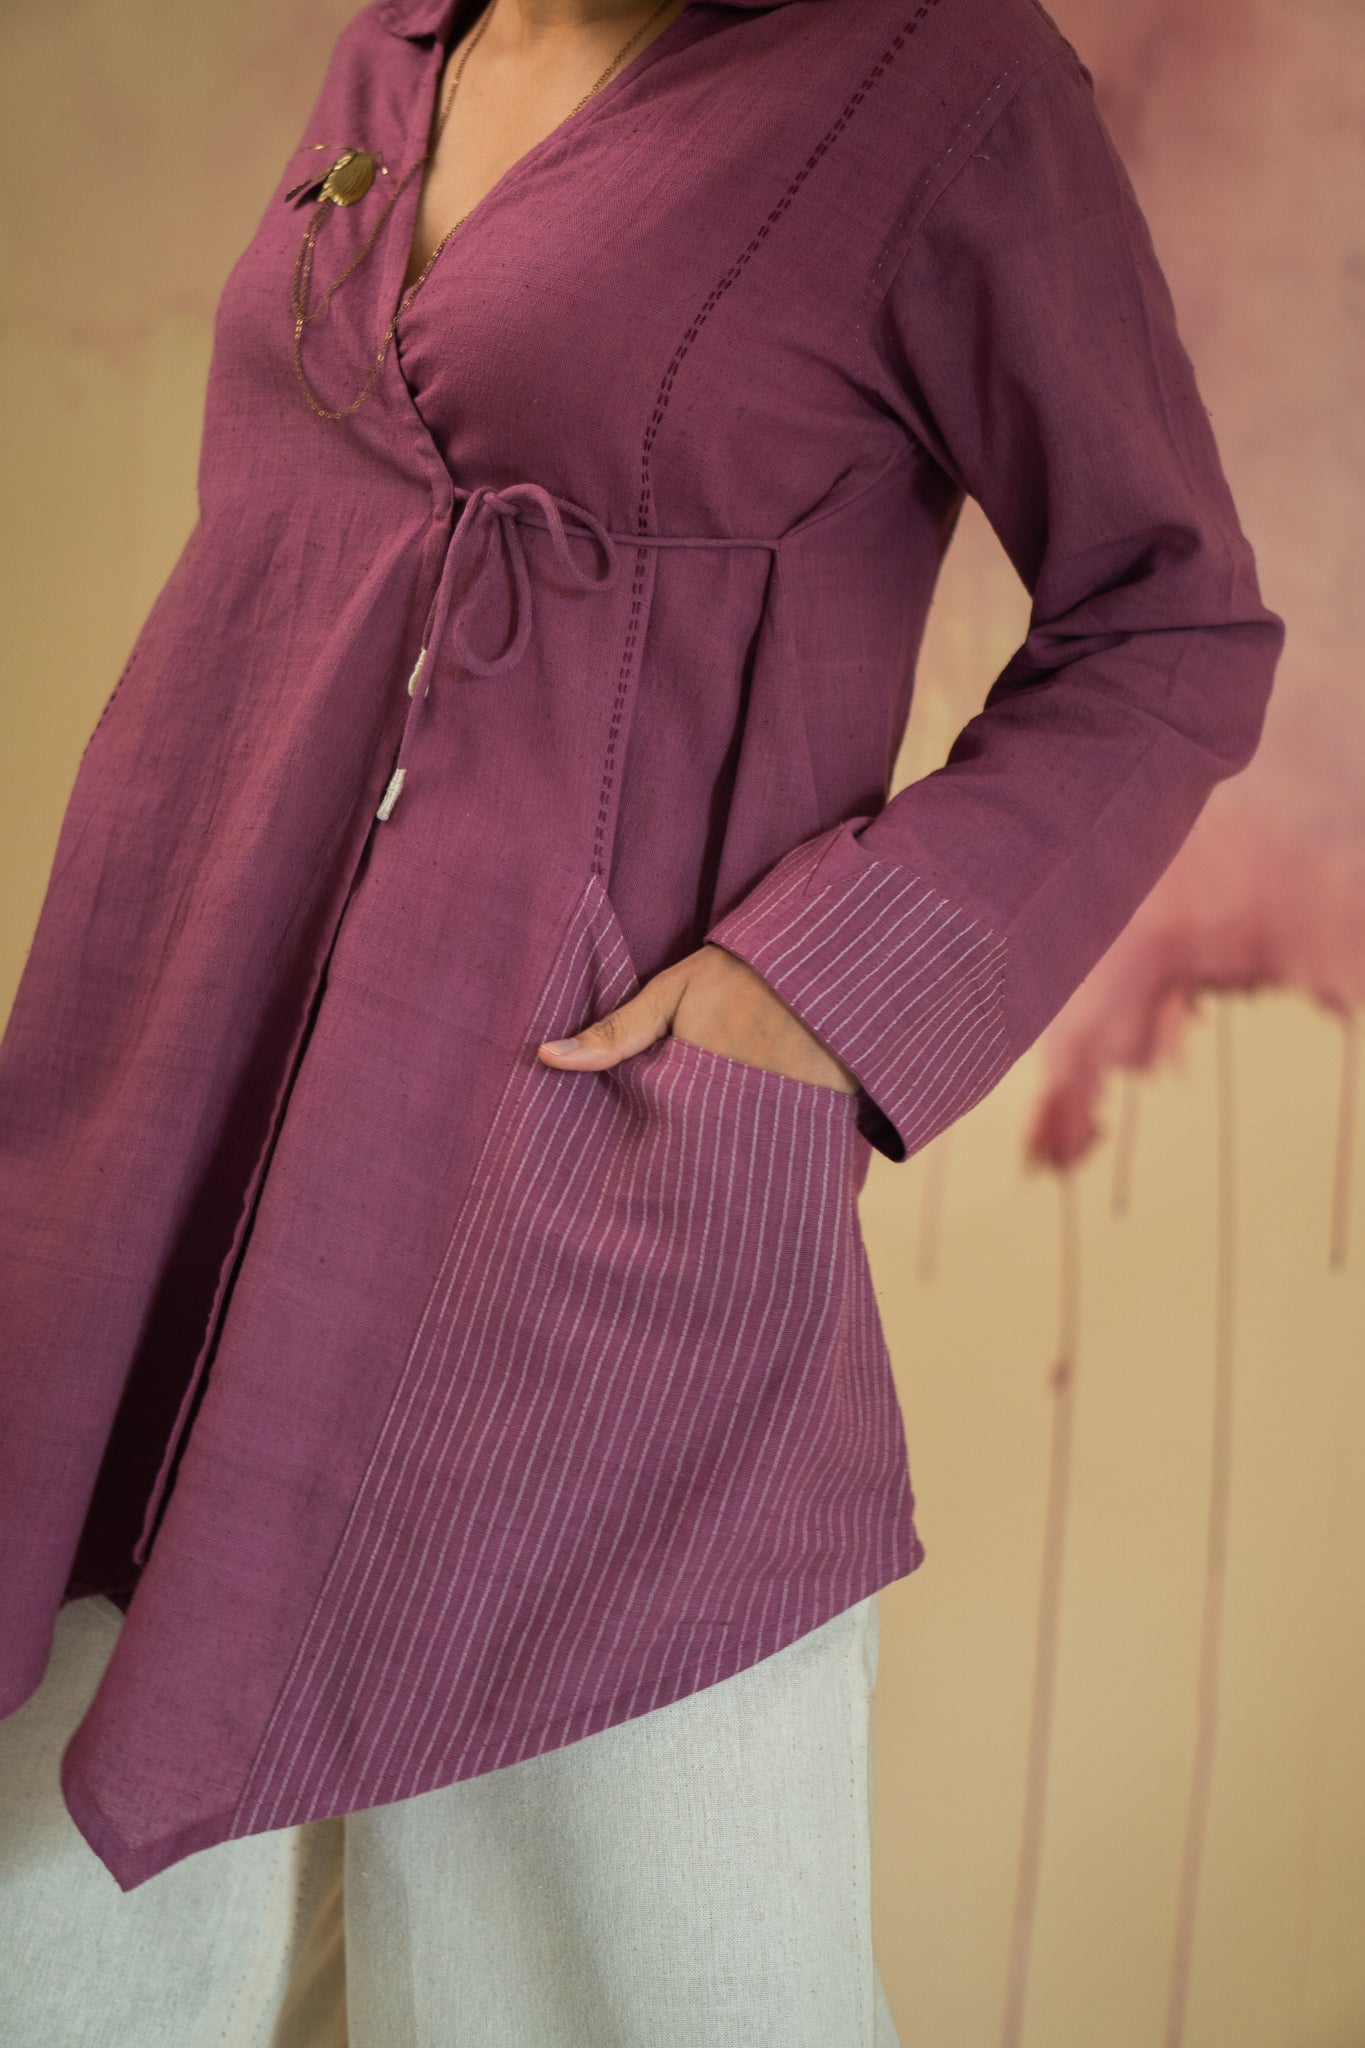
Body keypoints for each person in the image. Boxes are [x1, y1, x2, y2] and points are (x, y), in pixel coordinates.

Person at [0, 0, 1285, 2040]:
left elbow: (1170, 622)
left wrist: (830, 983)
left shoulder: (935, 82)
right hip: (167, 1137)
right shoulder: (400, 42)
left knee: (632, 1988)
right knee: (59, 1963)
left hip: (569, 1179)